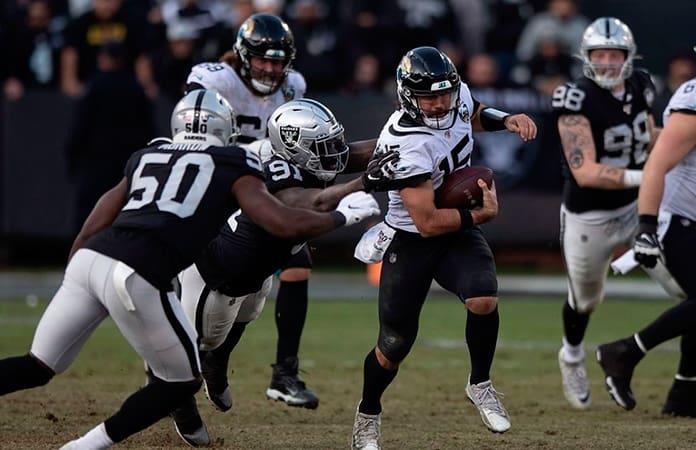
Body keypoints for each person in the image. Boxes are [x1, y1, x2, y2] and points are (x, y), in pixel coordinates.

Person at [0, 89, 380, 449]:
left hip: (90, 260)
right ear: (226, 128)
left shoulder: (150, 153)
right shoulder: (234, 161)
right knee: (179, 382)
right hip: (140, 272)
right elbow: (283, 221)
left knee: (37, 366)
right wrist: (342, 216)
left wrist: (74, 268)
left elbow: (99, 215)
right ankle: (85, 445)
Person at [170, 98, 399, 446]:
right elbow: (307, 204)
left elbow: (364, 152)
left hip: (258, 269)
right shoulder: (279, 173)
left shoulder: (312, 156)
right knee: (197, 343)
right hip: (216, 274)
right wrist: (359, 186)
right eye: (326, 145)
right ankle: (180, 401)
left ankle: (216, 365)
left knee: (247, 316)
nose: (336, 152)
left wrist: (410, 140)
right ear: (297, 148)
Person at [350, 46, 537, 450]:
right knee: (393, 346)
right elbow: (427, 222)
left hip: (455, 230)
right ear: (406, 96)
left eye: (444, 95)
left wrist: (507, 120)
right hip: (414, 237)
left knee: (484, 298)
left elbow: (473, 110)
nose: (438, 105)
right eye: (428, 98)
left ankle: (480, 383)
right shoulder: (407, 141)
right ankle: (368, 414)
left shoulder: (454, 96)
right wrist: (478, 217)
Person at [185, 12, 341, 408]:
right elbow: (193, 132)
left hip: (269, 193)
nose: (271, 69)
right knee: (217, 290)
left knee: (289, 268)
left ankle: (280, 372)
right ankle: (180, 368)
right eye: (262, 60)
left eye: (278, 61)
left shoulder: (294, 86)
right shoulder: (214, 80)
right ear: (242, 54)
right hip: (220, 187)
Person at [550, 17, 660, 410]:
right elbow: (586, 171)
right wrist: (648, 175)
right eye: (600, 54)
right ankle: (572, 355)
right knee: (586, 301)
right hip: (589, 217)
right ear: (587, 56)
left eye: (615, 54)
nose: (608, 62)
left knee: (683, 281)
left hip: (638, 207)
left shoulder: (642, 85)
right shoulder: (575, 98)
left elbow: (651, 135)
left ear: (628, 57)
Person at [597, 69, 696, 417]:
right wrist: (647, 227)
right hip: (675, 222)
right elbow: (656, 165)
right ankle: (625, 351)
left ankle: (684, 396)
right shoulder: (693, 101)